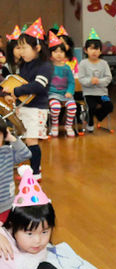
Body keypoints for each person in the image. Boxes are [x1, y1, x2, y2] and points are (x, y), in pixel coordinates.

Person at [0, 165, 73, 269]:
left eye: (45, 232)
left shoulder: (39, 244)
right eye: (29, 233)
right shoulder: (4, 235)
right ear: (12, 227)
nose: (38, 240)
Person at [3, 18, 52, 181]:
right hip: (24, 107)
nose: (21, 51)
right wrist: (13, 97)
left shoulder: (45, 65)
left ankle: (36, 172)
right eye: (20, 47)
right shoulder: (24, 65)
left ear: (37, 47)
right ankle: (33, 166)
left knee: (32, 139)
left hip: (37, 109)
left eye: (24, 47)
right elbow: (21, 84)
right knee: (24, 137)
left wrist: (15, 91)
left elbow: (38, 86)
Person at [77, 28, 113, 132]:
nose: (94, 52)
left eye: (97, 49)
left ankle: (96, 115)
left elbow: (108, 78)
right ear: (86, 50)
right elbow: (81, 78)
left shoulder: (104, 63)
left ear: (101, 51)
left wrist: (99, 81)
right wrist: (90, 81)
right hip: (88, 93)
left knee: (109, 106)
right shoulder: (83, 63)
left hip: (102, 93)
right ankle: (90, 122)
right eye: (92, 49)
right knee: (91, 106)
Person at [0, 118, 31, 223]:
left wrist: (12, 138)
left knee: (8, 234)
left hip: (7, 205)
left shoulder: (6, 152)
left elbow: (26, 154)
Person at [47, 32, 77, 137]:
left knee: (72, 106)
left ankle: (68, 126)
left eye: (61, 51)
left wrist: (69, 91)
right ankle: (55, 125)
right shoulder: (48, 67)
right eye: (55, 51)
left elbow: (71, 82)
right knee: (55, 107)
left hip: (65, 94)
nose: (59, 54)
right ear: (50, 54)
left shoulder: (67, 68)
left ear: (65, 53)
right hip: (52, 95)